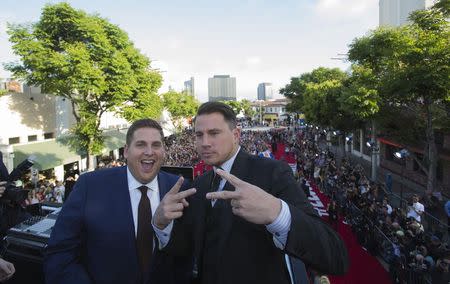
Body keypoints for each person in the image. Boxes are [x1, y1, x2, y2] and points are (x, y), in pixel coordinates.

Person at [153, 102, 349, 284]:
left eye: (214, 133)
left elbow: (334, 255)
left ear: (236, 135)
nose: (205, 142)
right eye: (199, 135)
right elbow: (188, 249)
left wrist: (278, 213)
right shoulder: (199, 185)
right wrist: (161, 225)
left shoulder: (272, 172)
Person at [44, 119, 193, 284]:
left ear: (164, 151)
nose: (149, 152)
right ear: (126, 151)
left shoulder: (180, 188)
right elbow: (60, 254)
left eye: (156, 145)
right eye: (141, 144)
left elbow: (186, 255)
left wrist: (163, 230)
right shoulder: (90, 186)